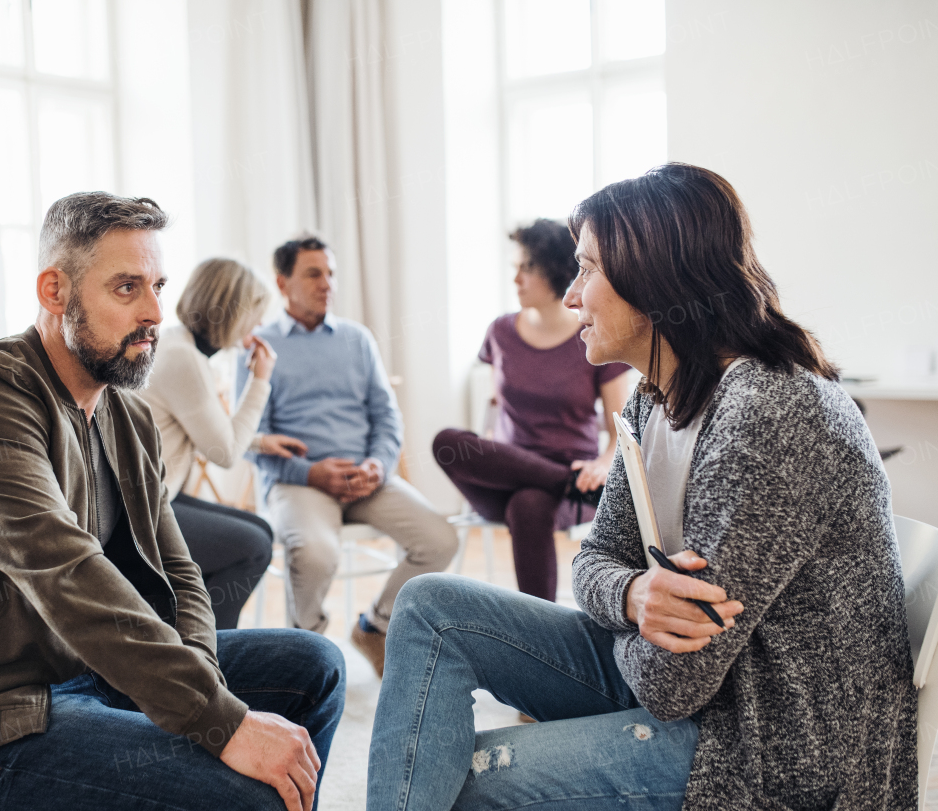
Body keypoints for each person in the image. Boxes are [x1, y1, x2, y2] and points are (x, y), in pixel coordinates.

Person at [360, 164, 916, 811]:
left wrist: (628, 605)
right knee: (428, 605)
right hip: (706, 696)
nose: (570, 297)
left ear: (653, 281)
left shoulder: (767, 412)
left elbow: (674, 684)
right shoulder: (659, 397)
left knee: (449, 779)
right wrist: (631, 598)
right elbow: (594, 562)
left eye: (586, 270)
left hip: (762, 758)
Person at [0, 192, 345, 811]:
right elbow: (69, 574)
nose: (153, 312)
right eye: (126, 287)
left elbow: (179, 571)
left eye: (156, 286)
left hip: (80, 676)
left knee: (315, 665)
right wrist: (218, 721)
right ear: (54, 290)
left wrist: (205, 693)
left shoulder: (123, 412)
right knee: (245, 805)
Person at [239, 235, 457, 677]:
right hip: (300, 481)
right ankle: (306, 652)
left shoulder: (357, 339)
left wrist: (378, 463)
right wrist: (310, 472)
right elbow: (248, 436)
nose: (327, 284)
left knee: (440, 539)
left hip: (366, 477)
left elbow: (386, 416)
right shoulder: (258, 345)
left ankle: (374, 627)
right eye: (314, 274)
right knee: (317, 553)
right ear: (283, 283)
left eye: (331, 273)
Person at [433, 218, 632, 602]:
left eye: (527, 268)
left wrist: (603, 465)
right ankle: (562, 481)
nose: (516, 280)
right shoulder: (500, 332)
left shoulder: (593, 336)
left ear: (555, 271)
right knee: (447, 441)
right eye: (515, 269)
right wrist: (491, 454)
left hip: (576, 478)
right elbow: (496, 413)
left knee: (530, 503)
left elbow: (620, 428)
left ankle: (539, 628)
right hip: (510, 469)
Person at [138, 257, 308, 629]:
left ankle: (194, 632)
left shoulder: (180, 345)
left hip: (159, 495)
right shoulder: (183, 357)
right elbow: (225, 453)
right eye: (255, 313)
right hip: (142, 511)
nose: (259, 324)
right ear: (231, 312)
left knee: (261, 530)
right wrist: (261, 380)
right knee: (252, 547)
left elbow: (205, 433)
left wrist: (261, 442)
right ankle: (214, 649)